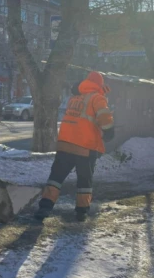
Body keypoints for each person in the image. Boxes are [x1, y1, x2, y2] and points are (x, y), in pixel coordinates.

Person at [35, 71, 115, 222]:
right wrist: (109, 132)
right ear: (99, 85)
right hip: (85, 147)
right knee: (84, 181)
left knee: (56, 178)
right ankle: (81, 212)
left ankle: (44, 207)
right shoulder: (97, 98)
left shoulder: (75, 98)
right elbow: (104, 118)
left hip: (65, 144)